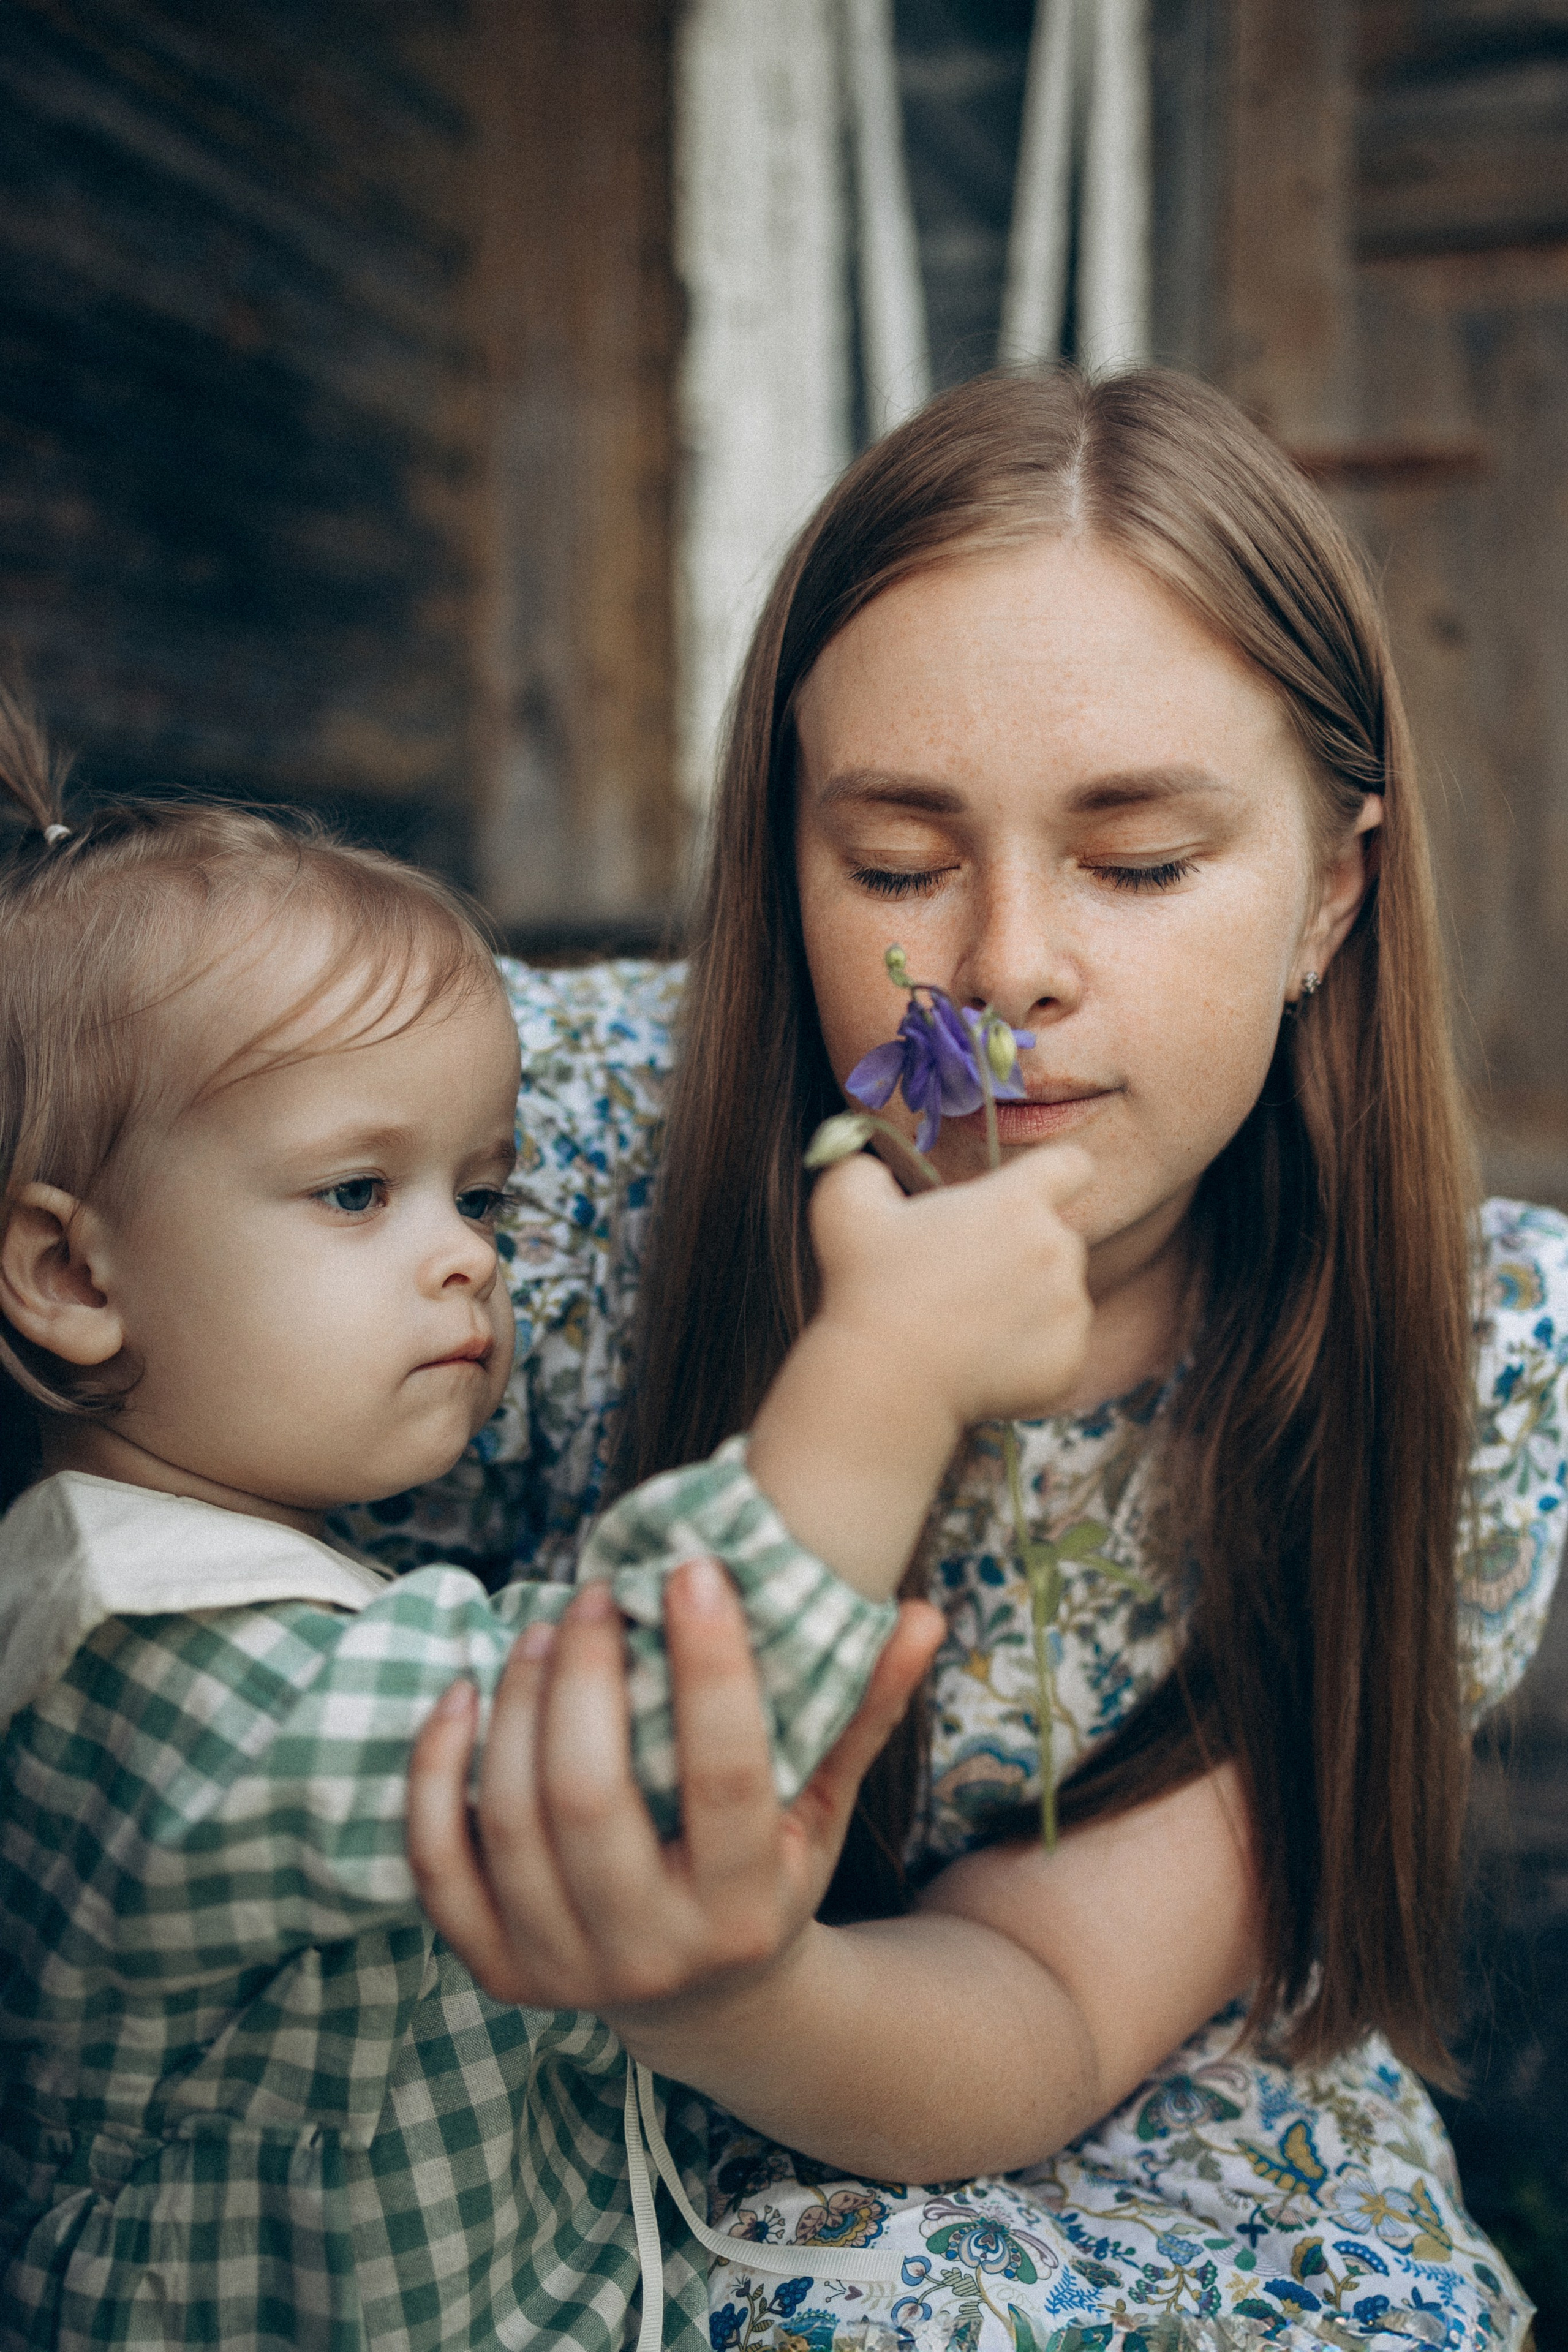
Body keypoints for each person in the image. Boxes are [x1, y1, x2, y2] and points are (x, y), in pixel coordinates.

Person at [401, 370, 1562, 2351]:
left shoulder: (1468, 1352)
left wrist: (732, 1990)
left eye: (1140, 862)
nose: (1006, 966)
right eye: (893, 865)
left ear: (1330, 893)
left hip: (1120, 2108)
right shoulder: (520, 1150)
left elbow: (1056, 1990)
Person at [0, 701, 1107, 2352]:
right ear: (71, 1274)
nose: (468, 1256)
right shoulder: (147, 1678)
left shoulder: (264, 1599)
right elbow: (625, 1743)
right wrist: (888, 1371)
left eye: (482, 1194)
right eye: (357, 1192)